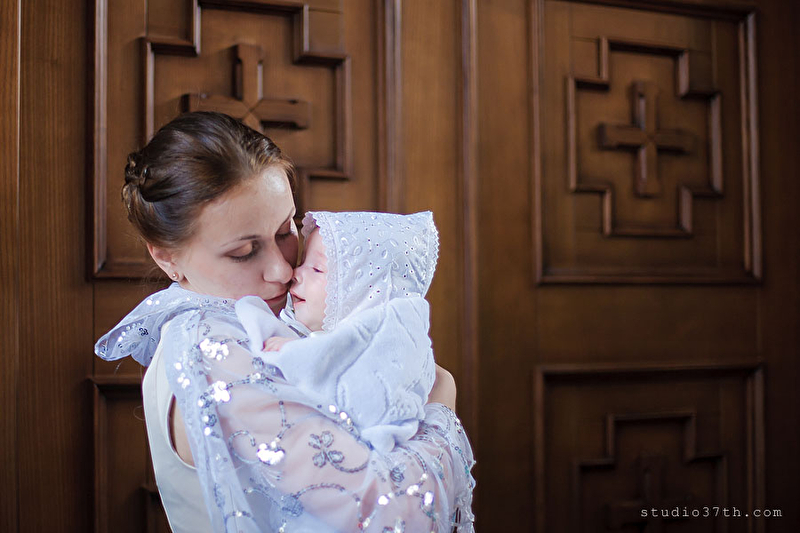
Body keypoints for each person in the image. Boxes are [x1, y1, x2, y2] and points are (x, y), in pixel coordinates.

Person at [94, 111, 475, 533]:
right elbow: (385, 512)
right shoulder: (213, 351)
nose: (282, 270)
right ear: (167, 258)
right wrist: (440, 403)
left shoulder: (256, 326)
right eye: (243, 252)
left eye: (285, 230)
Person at [235, 210, 439, 455]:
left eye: (317, 269)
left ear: (364, 291)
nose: (295, 273)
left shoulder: (392, 344)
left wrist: (295, 353)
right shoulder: (294, 324)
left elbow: (363, 391)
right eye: (302, 262)